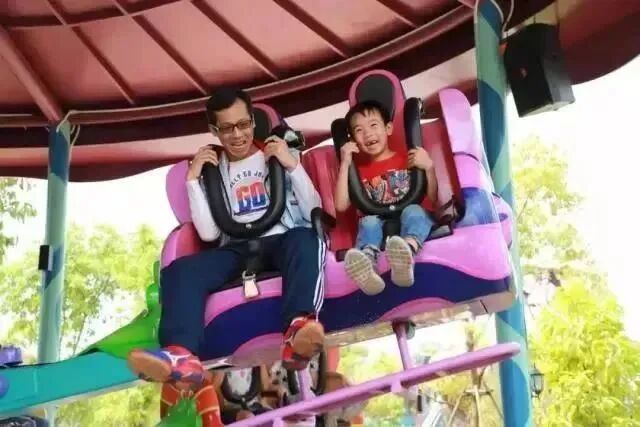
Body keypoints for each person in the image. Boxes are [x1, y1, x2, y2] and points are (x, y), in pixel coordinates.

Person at [128, 87, 326, 389]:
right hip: (235, 249)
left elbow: (314, 210)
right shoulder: (214, 171)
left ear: (253, 122)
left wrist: (291, 164)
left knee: (305, 239)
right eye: (227, 128)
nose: (237, 134)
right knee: (181, 270)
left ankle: (298, 329)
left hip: (280, 240)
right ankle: (181, 355)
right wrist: (193, 180)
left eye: (243, 124)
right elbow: (208, 233)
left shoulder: (277, 154)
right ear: (214, 131)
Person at [334, 100, 438, 296]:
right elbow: (340, 205)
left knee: (414, 211)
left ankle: (407, 252)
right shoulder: (358, 172)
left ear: (388, 128)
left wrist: (429, 167)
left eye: (373, 125)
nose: (368, 134)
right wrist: (345, 164)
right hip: (378, 223)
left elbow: (433, 198)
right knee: (368, 221)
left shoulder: (408, 160)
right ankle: (367, 263)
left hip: (410, 217)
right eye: (359, 130)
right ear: (353, 140)